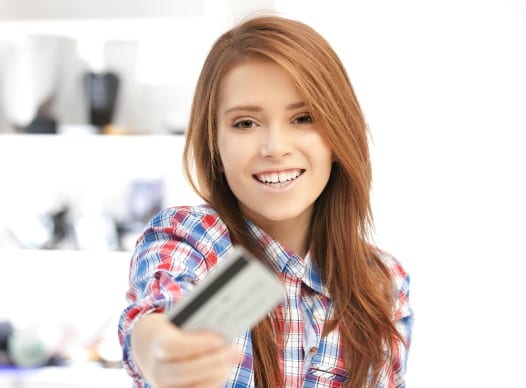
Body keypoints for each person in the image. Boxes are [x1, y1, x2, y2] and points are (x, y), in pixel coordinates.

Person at [118, 14, 414, 388]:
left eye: (304, 118)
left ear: (339, 133)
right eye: (245, 123)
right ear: (215, 146)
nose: (275, 148)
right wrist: (159, 349)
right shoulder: (196, 239)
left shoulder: (382, 281)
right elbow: (156, 313)